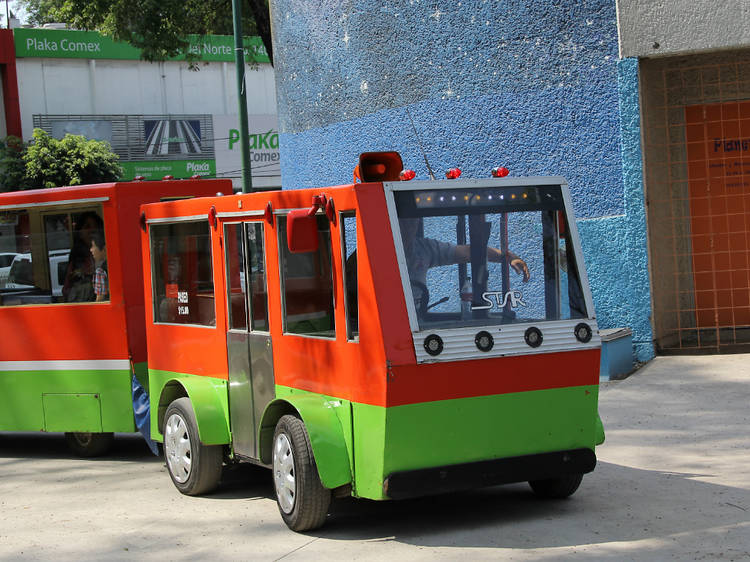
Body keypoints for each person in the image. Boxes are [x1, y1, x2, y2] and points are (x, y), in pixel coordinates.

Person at [399, 217, 529, 312]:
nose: (409, 226)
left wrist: (507, 256)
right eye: (404, 222)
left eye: (413, 221)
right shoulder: (382, 250)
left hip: (417, 317)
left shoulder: (423, 248)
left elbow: (469, 252)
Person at [63, 211, 103, 302]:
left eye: (95, 227)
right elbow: (67, 290)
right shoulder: (76, 259)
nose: (92, 231)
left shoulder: (106, 256)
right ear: (80, 232)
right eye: (87, 227)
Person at [90, 230, 108, 302]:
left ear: (104, 249)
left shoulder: (100, 272)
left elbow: (99, 300)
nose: (91, 250)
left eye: (93, 246)